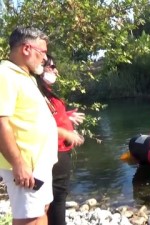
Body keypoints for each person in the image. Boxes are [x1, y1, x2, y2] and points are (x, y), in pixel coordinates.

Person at [0, 27, 57, 225]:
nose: (44, 59)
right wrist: (18, 164)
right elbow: (1, 122)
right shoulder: (4, 74)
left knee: (40, 211)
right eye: (42, 53)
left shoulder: (25, 77)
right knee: (30, 218)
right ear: (26, 49)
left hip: (37, 164)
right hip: (26, 165)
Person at [36, 55, 85, 225]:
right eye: (52, 66)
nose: (56, 70)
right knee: (57, 196)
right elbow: (39, 123)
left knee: (55, 196)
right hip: (54, 150)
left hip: (58, 150)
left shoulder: (45, 91)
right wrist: (67, 134)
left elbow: (53, 116)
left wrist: (68, 116)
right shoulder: (37, 91)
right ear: (41, 68)